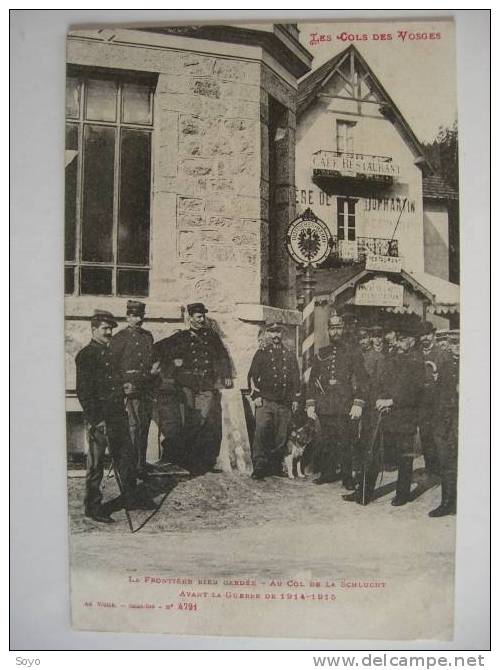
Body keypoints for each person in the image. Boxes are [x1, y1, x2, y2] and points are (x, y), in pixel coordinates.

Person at [75, 310, 155, 523]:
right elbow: (84, 392)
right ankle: (93, 507)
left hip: (117, 415)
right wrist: (96, 419)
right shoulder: (86, 355)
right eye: (105, 328)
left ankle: (131, 498)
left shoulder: (110, 353)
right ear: (94, 330)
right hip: (99, 418)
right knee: (97, 464)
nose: (109, 332)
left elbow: (114, 382)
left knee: (125, 458)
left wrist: (124, 387)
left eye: (111, 328)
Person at [169, 303, 232, 476]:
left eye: (203, 316)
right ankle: (186, 461)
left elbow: (222, 355)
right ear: (190, 317)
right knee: (189, 420)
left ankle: (199, 461)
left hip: (206, 384)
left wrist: (226, 374)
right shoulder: (180, 336)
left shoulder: (211, 336)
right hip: (187, 383)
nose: (202, 319)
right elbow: (165, 352)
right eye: (198, 316)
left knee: (202, 420)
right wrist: (174, 365)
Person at [306, 313, 368, 489]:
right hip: (325, 406)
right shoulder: (321, 353)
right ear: (328, 330)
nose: (336, 332)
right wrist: (310, 404)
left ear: (343, 328)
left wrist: (358, 403)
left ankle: (348, 477)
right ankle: (327, 473)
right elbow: (312, 380)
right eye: (332, 328)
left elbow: (363, 379)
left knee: (346, 442)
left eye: (338, 328)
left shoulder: (353, 352)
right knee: (326, 442)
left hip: (344, 406)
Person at [375, 321, 425, 506]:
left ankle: (402, 495)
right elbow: (385, 383)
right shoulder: (394, 358)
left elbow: (415, 394)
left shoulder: (417, 361)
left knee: (404, 458)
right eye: (398, 339)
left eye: (403, 339)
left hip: (406, 417)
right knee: (382, 453)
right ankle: (364, 491)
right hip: (389, 414)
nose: (398, 343)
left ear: (412, 341)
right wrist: (383, 399)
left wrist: (392, 401)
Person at [247, 322, 301, 479]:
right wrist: (256, 396)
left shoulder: (289, 355)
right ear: (268, 334)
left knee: (281, 437)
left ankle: (276, 465)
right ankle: (259, 466)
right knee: (261, 431)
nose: (276, 336)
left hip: (284, 402)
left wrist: (295, 398)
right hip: (266, 401)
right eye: (272, 332)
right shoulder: (262, 353)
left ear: (282, 334)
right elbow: (252, 376)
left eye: (278, 332)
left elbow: (296, 379)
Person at [110, 300, 154, 477]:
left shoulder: (147, 336)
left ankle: (141, 464)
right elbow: (112, 366)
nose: (137, 319)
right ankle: (132, 467)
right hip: (129, 388)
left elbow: (151, 360)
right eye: (134, 315)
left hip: (146, 387)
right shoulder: (119, 338)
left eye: (140, 315)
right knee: (133, 427)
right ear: (127, 317)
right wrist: (123, 385)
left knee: (144, 427)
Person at [344, 323, 387, 504]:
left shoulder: (378, 358)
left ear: (370, 338)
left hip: (371, 410)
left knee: (371, 451)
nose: (363, 341)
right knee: (358, 449)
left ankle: (367, 492)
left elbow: (377, 384)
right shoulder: (355, 357)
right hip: (355, 409)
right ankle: (358, 489)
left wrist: (363, 402)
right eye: (359, 339)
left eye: (365, 338)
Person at [428, 329, 459, 517]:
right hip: (446, 421)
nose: (457, 348)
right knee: (447, 462)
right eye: (454, 344)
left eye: (460, 343)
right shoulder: (446, 366)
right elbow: (439, 396)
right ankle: (447, 503)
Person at [418, 321, 452, 476]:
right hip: (421, 401)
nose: (425, 338)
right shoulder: (417, 353)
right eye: (422, 335)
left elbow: (446, 380)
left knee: (437, 435)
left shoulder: (442, 354)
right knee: (424, 434)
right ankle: (430, 467)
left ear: (433, 335)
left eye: (427, 335)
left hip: (437, 401)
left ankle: (440, 469)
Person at [151, 329, 188, 470]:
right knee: (170, 425)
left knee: (178, 425)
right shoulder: (165, 353)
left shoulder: (176, 354)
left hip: (179, 392)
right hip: (167, 392)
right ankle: (170, 458)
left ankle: (175, 459)